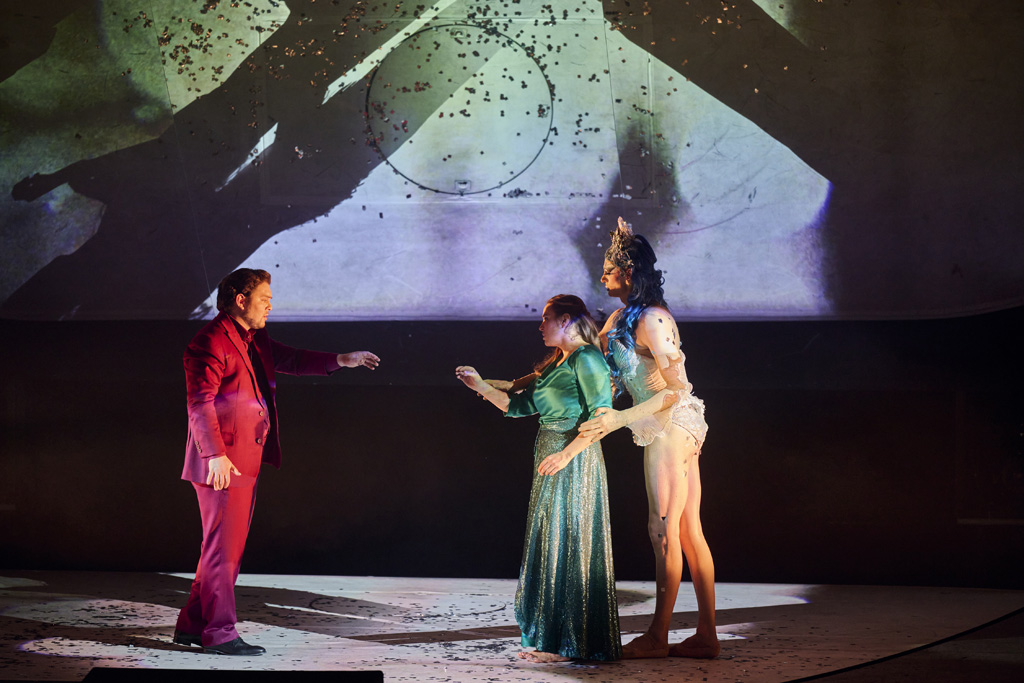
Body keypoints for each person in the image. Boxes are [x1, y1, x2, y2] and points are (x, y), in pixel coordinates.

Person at [174, 268, 379, 656]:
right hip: (223, 463)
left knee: (219, 550)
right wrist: (215, 455)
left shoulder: (252, 337)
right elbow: (199, 404)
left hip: (243, 459)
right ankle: (219, 633)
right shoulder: (210, 341)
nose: (270, 305)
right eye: (264, 299)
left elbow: (291, 359)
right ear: (240, 300)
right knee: (223, 553)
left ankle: (192, 626)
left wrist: (342, 359)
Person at [578, 217, 720, 659]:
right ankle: (706, 635)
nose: (602, 277)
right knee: (686, 530)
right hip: (665, 424)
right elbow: (592, 360)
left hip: (671, 424)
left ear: (629, 273)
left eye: (609, 270)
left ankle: (659, 635)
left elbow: (676, 389)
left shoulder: (654, 319)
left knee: (664, 531)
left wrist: (619, 419)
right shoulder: (621, 317)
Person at [455, 295, 621, 663]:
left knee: (568, 540)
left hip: (573, 458)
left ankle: (570, 643)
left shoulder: (587, 358)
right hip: (550, 455)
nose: (540, 325)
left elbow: (602, 417)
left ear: (565, 321)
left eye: (546, 318)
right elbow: (518, 406)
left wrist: (566, 455)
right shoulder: (556, 363)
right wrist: (479, 386)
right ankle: (552, 638)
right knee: (550, 540)